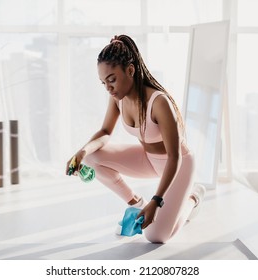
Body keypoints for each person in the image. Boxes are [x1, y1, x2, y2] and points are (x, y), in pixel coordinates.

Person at [66, 34, 205, 244]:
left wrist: (157, 201)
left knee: (156, 235)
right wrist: (82, 151)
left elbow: (175, 157)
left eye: (111, 79)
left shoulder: (159, 102)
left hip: (179, 165)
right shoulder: (117, 98)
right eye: (103, 83)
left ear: (130, 70)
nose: (108, 87)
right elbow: (105, 132)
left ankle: (193, 198)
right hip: (148, 160)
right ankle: (136, 202)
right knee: (91, 157)